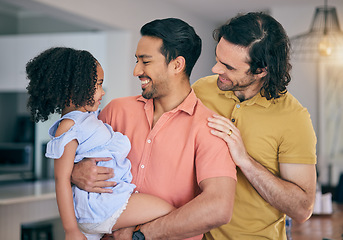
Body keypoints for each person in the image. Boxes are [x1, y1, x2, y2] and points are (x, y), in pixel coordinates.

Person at [71, 18, 237, 240]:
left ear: (177, 65)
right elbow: (66, 155)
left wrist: (140, 236)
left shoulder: (210, 128)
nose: (136, 70)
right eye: (136, 60)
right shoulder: (116, 110)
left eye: (145, 62)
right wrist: (74, 173)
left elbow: (219, 208)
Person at [26, 47, 175, 240]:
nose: (102, 92)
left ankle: (125, 231)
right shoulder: (69, 126)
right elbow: (61, 179)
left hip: (107, 200)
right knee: (168, 212)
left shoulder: (88, 119)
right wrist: (71, 230)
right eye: (98, 85)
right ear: (74, 89)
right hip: (98, 205)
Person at [192, 12, 317, 239]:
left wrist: (245, 161)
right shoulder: (201, 90)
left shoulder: (294, 118)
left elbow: (301, 209)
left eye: (228, 67)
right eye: (217, 59)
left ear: (261, 70)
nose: (215, 69)